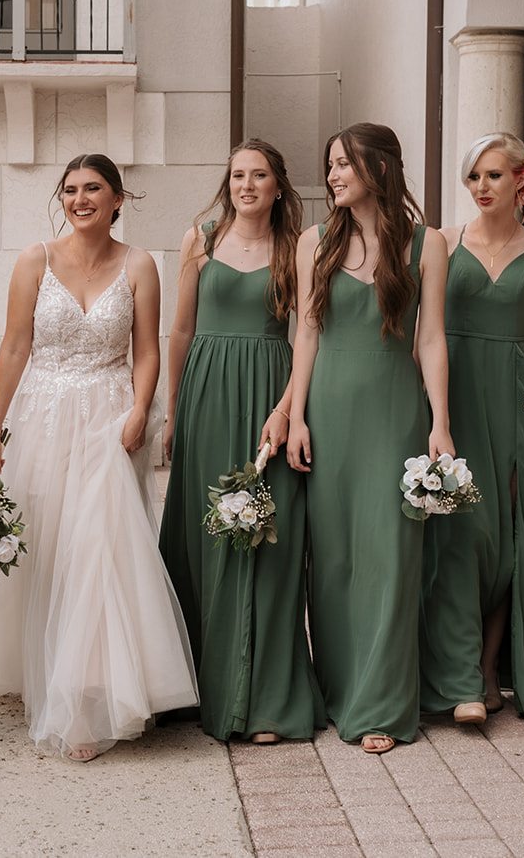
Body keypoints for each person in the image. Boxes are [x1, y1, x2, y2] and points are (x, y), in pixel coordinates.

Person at [0, 154, 197, 762]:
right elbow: (13, 346)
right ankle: (46, 666)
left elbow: (147, 349)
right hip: (45, 413)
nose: (80, 199)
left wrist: (142, 408)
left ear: (118, 199)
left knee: (100, 545)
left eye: (94, 189)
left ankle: (89, 698)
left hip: (111, 417)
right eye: (71, 190)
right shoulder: (36, 259)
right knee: (50, 538)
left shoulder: (140, 265)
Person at [281, 123, 452, 755]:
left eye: (342, 164)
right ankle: (339, 688)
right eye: (328, 165)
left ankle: (379, 703)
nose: (331, 176)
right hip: (328, 409)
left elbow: (430, 338)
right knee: (333, 560)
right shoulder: (313, 243)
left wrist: (440, 421)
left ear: (378, 167)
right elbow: (306, 334)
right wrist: (297, 416)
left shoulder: (427, 244)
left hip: (395, 410)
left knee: (392, 553)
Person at [158, 141, 324, 744]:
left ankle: (267, 701)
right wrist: (173, 412)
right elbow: (180, 330)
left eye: (259, 175)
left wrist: (288, 408)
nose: (246, 184)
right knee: (205, 536)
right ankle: (199, 686)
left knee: (270, 543)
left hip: (268, 397)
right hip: (205, 395)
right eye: (237, 175)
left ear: (279, 185)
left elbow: (308, 330)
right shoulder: (198, 239)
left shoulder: (299, 248)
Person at [420, 132, 524, 724]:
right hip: (453, 392)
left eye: (494, 176)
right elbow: (423, 329)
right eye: (474, 177)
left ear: (522, 179)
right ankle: (455, 674)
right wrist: (432, 414)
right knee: (459, 529)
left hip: (516, 391)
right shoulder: (443, 242)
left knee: (508, 534)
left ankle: (487, 667)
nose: (481, 187)